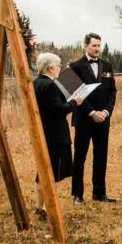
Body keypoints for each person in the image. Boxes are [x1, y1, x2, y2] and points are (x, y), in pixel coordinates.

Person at [31, 53, 85, 221]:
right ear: (50, 68)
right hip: (55, 135)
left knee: (41, 172)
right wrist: (74, 102)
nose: (60, 69)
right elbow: (58, 110)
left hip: (42, 133)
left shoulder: (35, 83)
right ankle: (48, 209)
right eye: (59, 66)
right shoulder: (51, 85)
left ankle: (39, 207)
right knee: (52, 173)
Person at [69, 33, 117, 205]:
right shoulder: (75, 66)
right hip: (84, 118)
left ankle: (99, 193)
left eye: (99, 45)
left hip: (103, 119)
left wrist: (106, 111)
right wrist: (91, 113)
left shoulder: (107, 65)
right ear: (85, 46)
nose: (97, 49)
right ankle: (77, 194)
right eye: (94, 45)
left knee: (101, 155)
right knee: (80, 156)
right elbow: (75, 93)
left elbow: (112, 92)